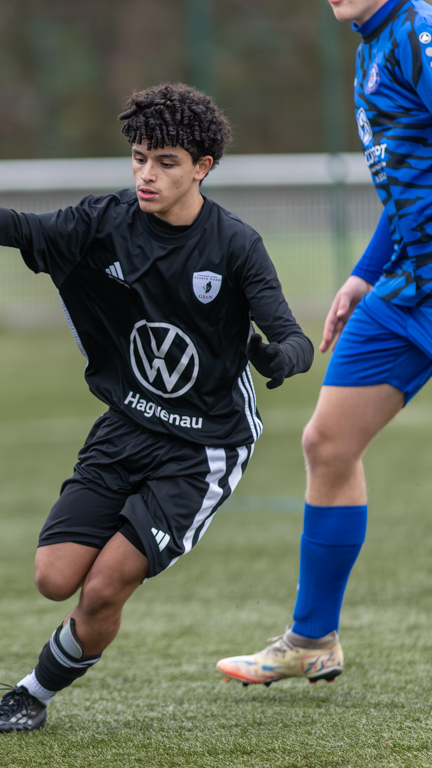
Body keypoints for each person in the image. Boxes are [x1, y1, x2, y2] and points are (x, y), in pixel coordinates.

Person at [0, 83, 313, 733]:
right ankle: (52, 666)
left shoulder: (235, 245)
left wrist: (279, 359)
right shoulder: (106, 222)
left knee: (102, 588)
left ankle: (31, 695)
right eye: (139, 158)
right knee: (53, 578)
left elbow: (294, 338)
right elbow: (25, 229)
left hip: (204, 446)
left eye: (166, 162)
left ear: (203, 167)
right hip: (127, 423)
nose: (146, 175)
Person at [216, 0, 432, 686]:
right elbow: (409, 185)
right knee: (329, 443)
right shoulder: (374, 43)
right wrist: (365, 274)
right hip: (407, 287)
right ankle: (313, 639)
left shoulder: (420, 30)